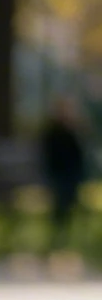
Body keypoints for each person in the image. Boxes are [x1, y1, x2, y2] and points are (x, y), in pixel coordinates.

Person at [39, 100, 89, 252]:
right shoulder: (52, 133)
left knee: (67, 197)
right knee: (63, 198)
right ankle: (60, 232)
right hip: (58, 175)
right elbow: (49, 158)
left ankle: (64, 233)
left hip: (71, 176)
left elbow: (79, 158)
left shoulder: (73, 133)